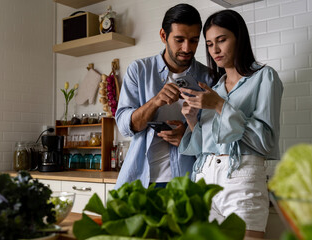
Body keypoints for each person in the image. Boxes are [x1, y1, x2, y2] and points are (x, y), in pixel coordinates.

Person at [179, 9, 283, 238]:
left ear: (239, 38)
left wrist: (220, 106)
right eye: (209, 44)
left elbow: (265, 141)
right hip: (204, 179)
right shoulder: (214, 89)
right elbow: (204, 147)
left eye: (221, 40)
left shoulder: (265, 77)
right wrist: (192, 119)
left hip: (242, 177)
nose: (214, 50)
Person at [115, 4, 214, 189]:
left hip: (187, 181)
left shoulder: (208, 77)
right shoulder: (139, 70)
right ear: (163, 36)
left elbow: (216, 133)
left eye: (193, 40)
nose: (187, 48)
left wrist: (188, 136)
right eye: (179, 39)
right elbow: (124, 126)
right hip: (140, 180)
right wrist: (155, 102)